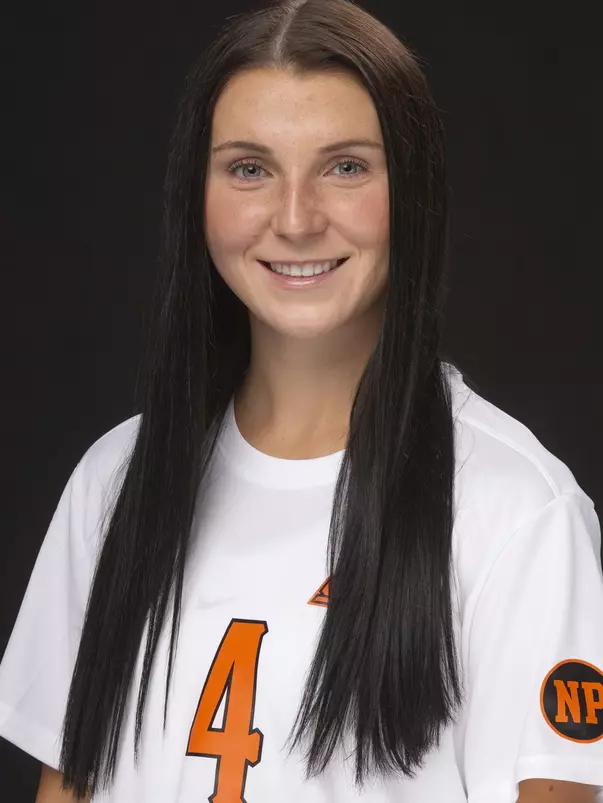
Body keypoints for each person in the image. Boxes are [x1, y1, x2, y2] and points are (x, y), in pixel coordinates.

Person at [1, 0, 602, 800]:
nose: (294, 218)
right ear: (198, 193)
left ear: (412, 190)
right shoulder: (116, 480)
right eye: (249, 168)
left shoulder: (519, 512)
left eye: (345, 166)